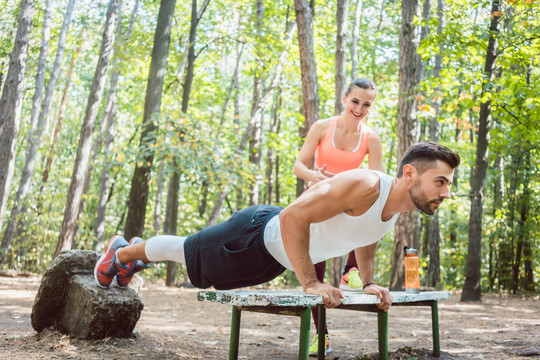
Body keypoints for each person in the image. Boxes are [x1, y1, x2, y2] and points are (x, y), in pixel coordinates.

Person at [94, 142, 460, 335]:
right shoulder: (365, 184)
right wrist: (311, 283)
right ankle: (122, 253)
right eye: (440, 182)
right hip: (258, 234)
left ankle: (133, 254)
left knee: (202, 272)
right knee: (187, 250)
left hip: (274, 258)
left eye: (448, 185)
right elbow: (293, 215)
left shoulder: (395, 209)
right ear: (410, 173)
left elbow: (365, 237)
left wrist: (370, 281)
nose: (445, 193)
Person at [293, 78, 382, 354]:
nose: (359, 108)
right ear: (345, 99)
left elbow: (376, 180)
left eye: (366, 104)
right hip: (316, 201)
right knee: (315, 277)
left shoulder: (372, 138)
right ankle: (322, 335)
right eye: (355, 101)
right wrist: (314, 175)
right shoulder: (322, 127)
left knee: (375, 207)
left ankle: (351, 270)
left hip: (346, 204)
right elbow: (298, 165)